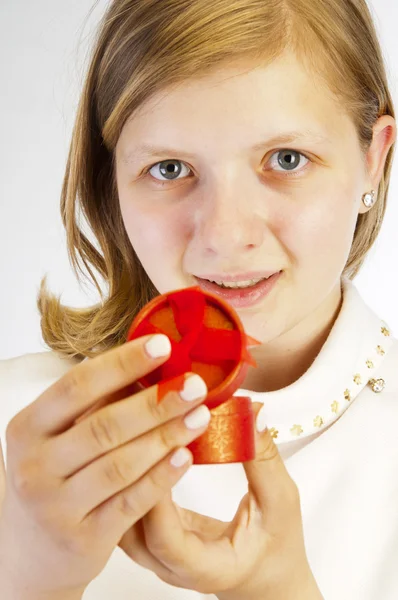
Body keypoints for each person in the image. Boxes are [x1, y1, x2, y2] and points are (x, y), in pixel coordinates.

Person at [0, 0, 397, 598]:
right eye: (169, 168)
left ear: (373, 159)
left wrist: (277, 590)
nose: (224, 235)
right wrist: (29, 574)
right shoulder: (18, 426)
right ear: (112, 181)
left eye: (285, 160)